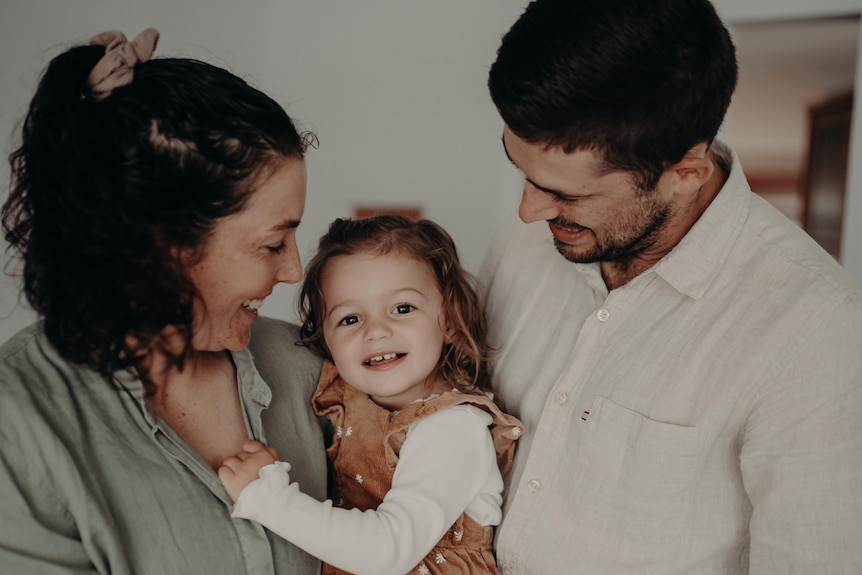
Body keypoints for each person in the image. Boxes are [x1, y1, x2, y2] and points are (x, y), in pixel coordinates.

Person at [482, 0, 862, 573]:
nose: (528, 211)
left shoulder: (815, 330)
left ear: (686, 175)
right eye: (524, 173)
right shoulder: (528, 241)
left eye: (568, 195)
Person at [0, 29, 328, 573]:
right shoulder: (21, 426)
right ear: (160, 243)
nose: (294, 272)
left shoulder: (306, 365)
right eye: (272, 243)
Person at [218, 215, 524, 575]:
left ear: (451, 322)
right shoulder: (348, 403)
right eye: (350, 319)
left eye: (402, 308)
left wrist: (268, 499)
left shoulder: (453, 426)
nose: (377, 331)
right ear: (325, 340)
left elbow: (386, 551)